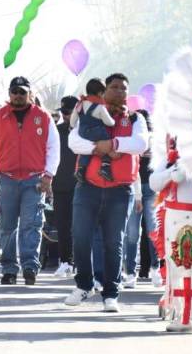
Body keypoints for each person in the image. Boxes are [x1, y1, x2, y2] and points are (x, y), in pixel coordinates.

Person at [63, 73, 148, 313]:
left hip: (120, 191)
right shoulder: (89, 111)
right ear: (103, 91)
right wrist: (98, 147)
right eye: (114, 87)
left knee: (114, 243)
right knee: (80, 238)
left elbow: (141, 143)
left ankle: (111, 294)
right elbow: (73, 142)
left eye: (124, 88)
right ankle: (84, 285)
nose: (120, 91)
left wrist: (113, 145)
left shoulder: (135, 118)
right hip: (87, 187)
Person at [150, 68, 192, 333]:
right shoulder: (171, 146)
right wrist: (172, 173)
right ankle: (183, 316)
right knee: (178, 266)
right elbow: (154, 182)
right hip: (175, 216)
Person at [0, 76, 59, 285]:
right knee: (6, 226)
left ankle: (30, 267)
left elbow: (53, 148)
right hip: (5, 179)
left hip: (34, 179)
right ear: (9, 94)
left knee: (32, 224)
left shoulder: (43, 117)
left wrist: (48, 175)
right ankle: (9, 269)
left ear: (30, 94)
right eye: (15, 92)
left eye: (23, 92)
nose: (18, 95)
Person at [122, 108, 160, 289]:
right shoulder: (132, 139)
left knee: (152, 230)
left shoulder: (154, 139)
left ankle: (155, 269)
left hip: (152, 189)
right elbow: (132, 167)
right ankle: (130, 272)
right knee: (132, 233)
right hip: (134, 187)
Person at [51, 95, 80, 277]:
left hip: (81, 186)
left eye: (68, 112)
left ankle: (80, 262)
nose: (65, 115)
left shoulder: (85, 130)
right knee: (62, 226)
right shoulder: (56, 130)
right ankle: (65, 261)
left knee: (80, 227)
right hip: (60, 185)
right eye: (63, 112)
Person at [69, 81, 117, 183]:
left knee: (87, 150)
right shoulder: (100, 107)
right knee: (106, 143)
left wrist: (74, 127)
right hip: (96, 132)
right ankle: (105, 166)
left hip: (82, 133)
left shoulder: (80, 103)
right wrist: (114, 121)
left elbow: (73, 122)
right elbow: (109, 123)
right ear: (100, 93)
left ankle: (81, 169)